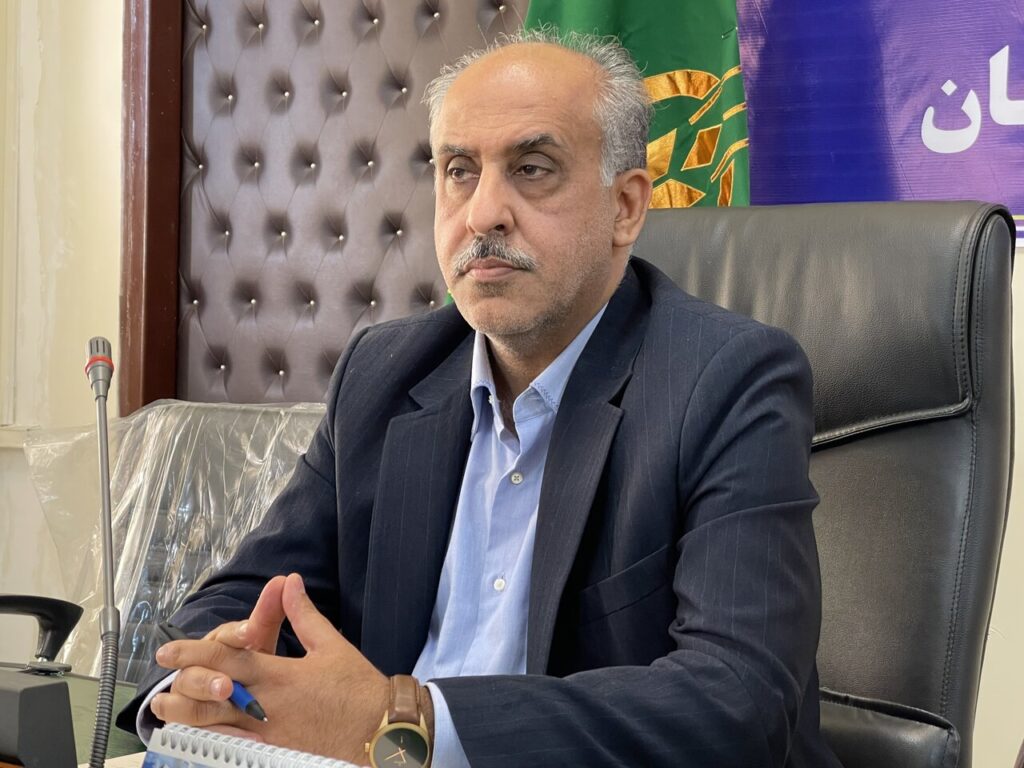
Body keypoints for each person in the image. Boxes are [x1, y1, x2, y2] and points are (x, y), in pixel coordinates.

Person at [118, 28, 840, 768]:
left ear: (626, 206)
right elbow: (243, 596)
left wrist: (407, 720)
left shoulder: (727, 379)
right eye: (459, 171)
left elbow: (738, 702)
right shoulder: (383, 373)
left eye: (532, 169)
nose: (483, 213)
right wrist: (204, 683)